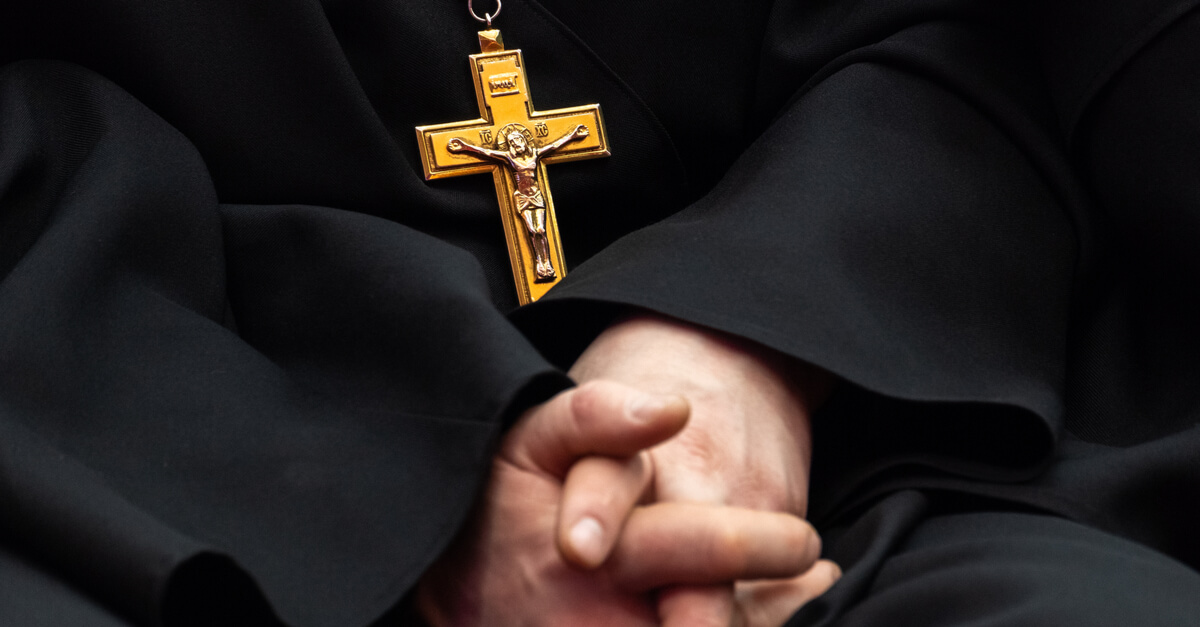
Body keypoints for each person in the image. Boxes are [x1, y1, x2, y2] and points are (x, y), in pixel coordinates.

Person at [3, 0, 1200, 626]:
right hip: (179, 474)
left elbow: (946, 29)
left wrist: (740, 338)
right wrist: (422, 499)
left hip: (884, 418)